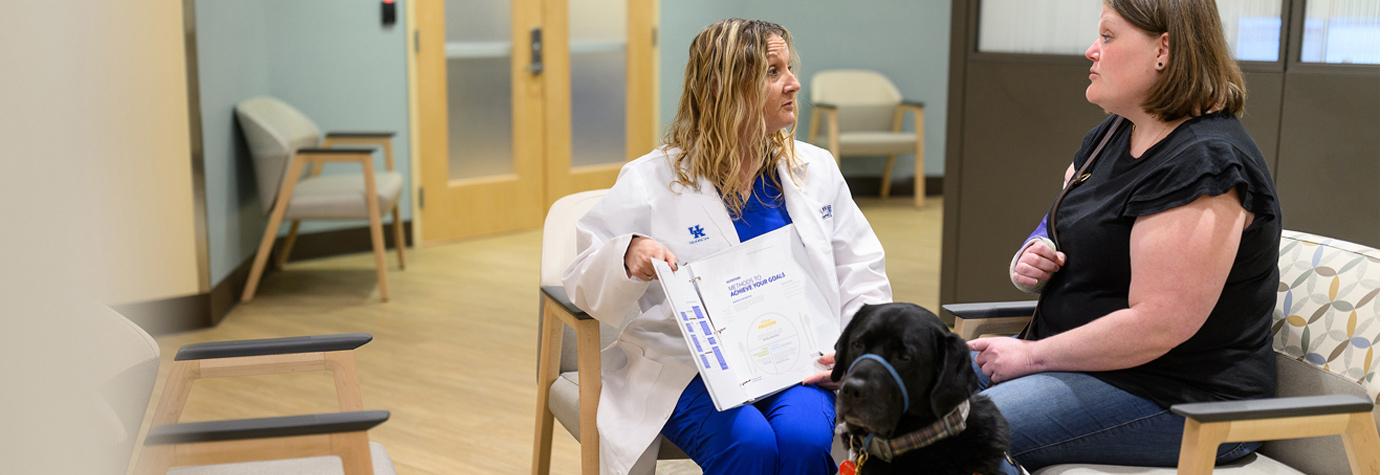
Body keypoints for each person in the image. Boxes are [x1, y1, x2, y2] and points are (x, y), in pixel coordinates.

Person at [562, 18, 892, 475]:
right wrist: (627, 254)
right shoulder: (650, 179)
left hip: (796, 361)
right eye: (773, 72)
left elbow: (862, 271)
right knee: (749, 445)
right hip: (689, 369)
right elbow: (583, 283)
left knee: (801, 440)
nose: (794, 83)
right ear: (725, 86)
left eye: (789, 68)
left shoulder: (814, 170)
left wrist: (857, 345)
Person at [966, 0, 1283, 470]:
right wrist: (1032, 252)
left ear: (1164, 49)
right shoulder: (1111, 135)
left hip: (1180, 400)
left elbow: (1158, 324)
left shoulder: (1205, 160)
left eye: (1109, 37)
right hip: (1089, 370)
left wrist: (1031, 357)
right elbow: (1057, 224)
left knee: (955, 435)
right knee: (908, 391)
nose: (1091, 51)